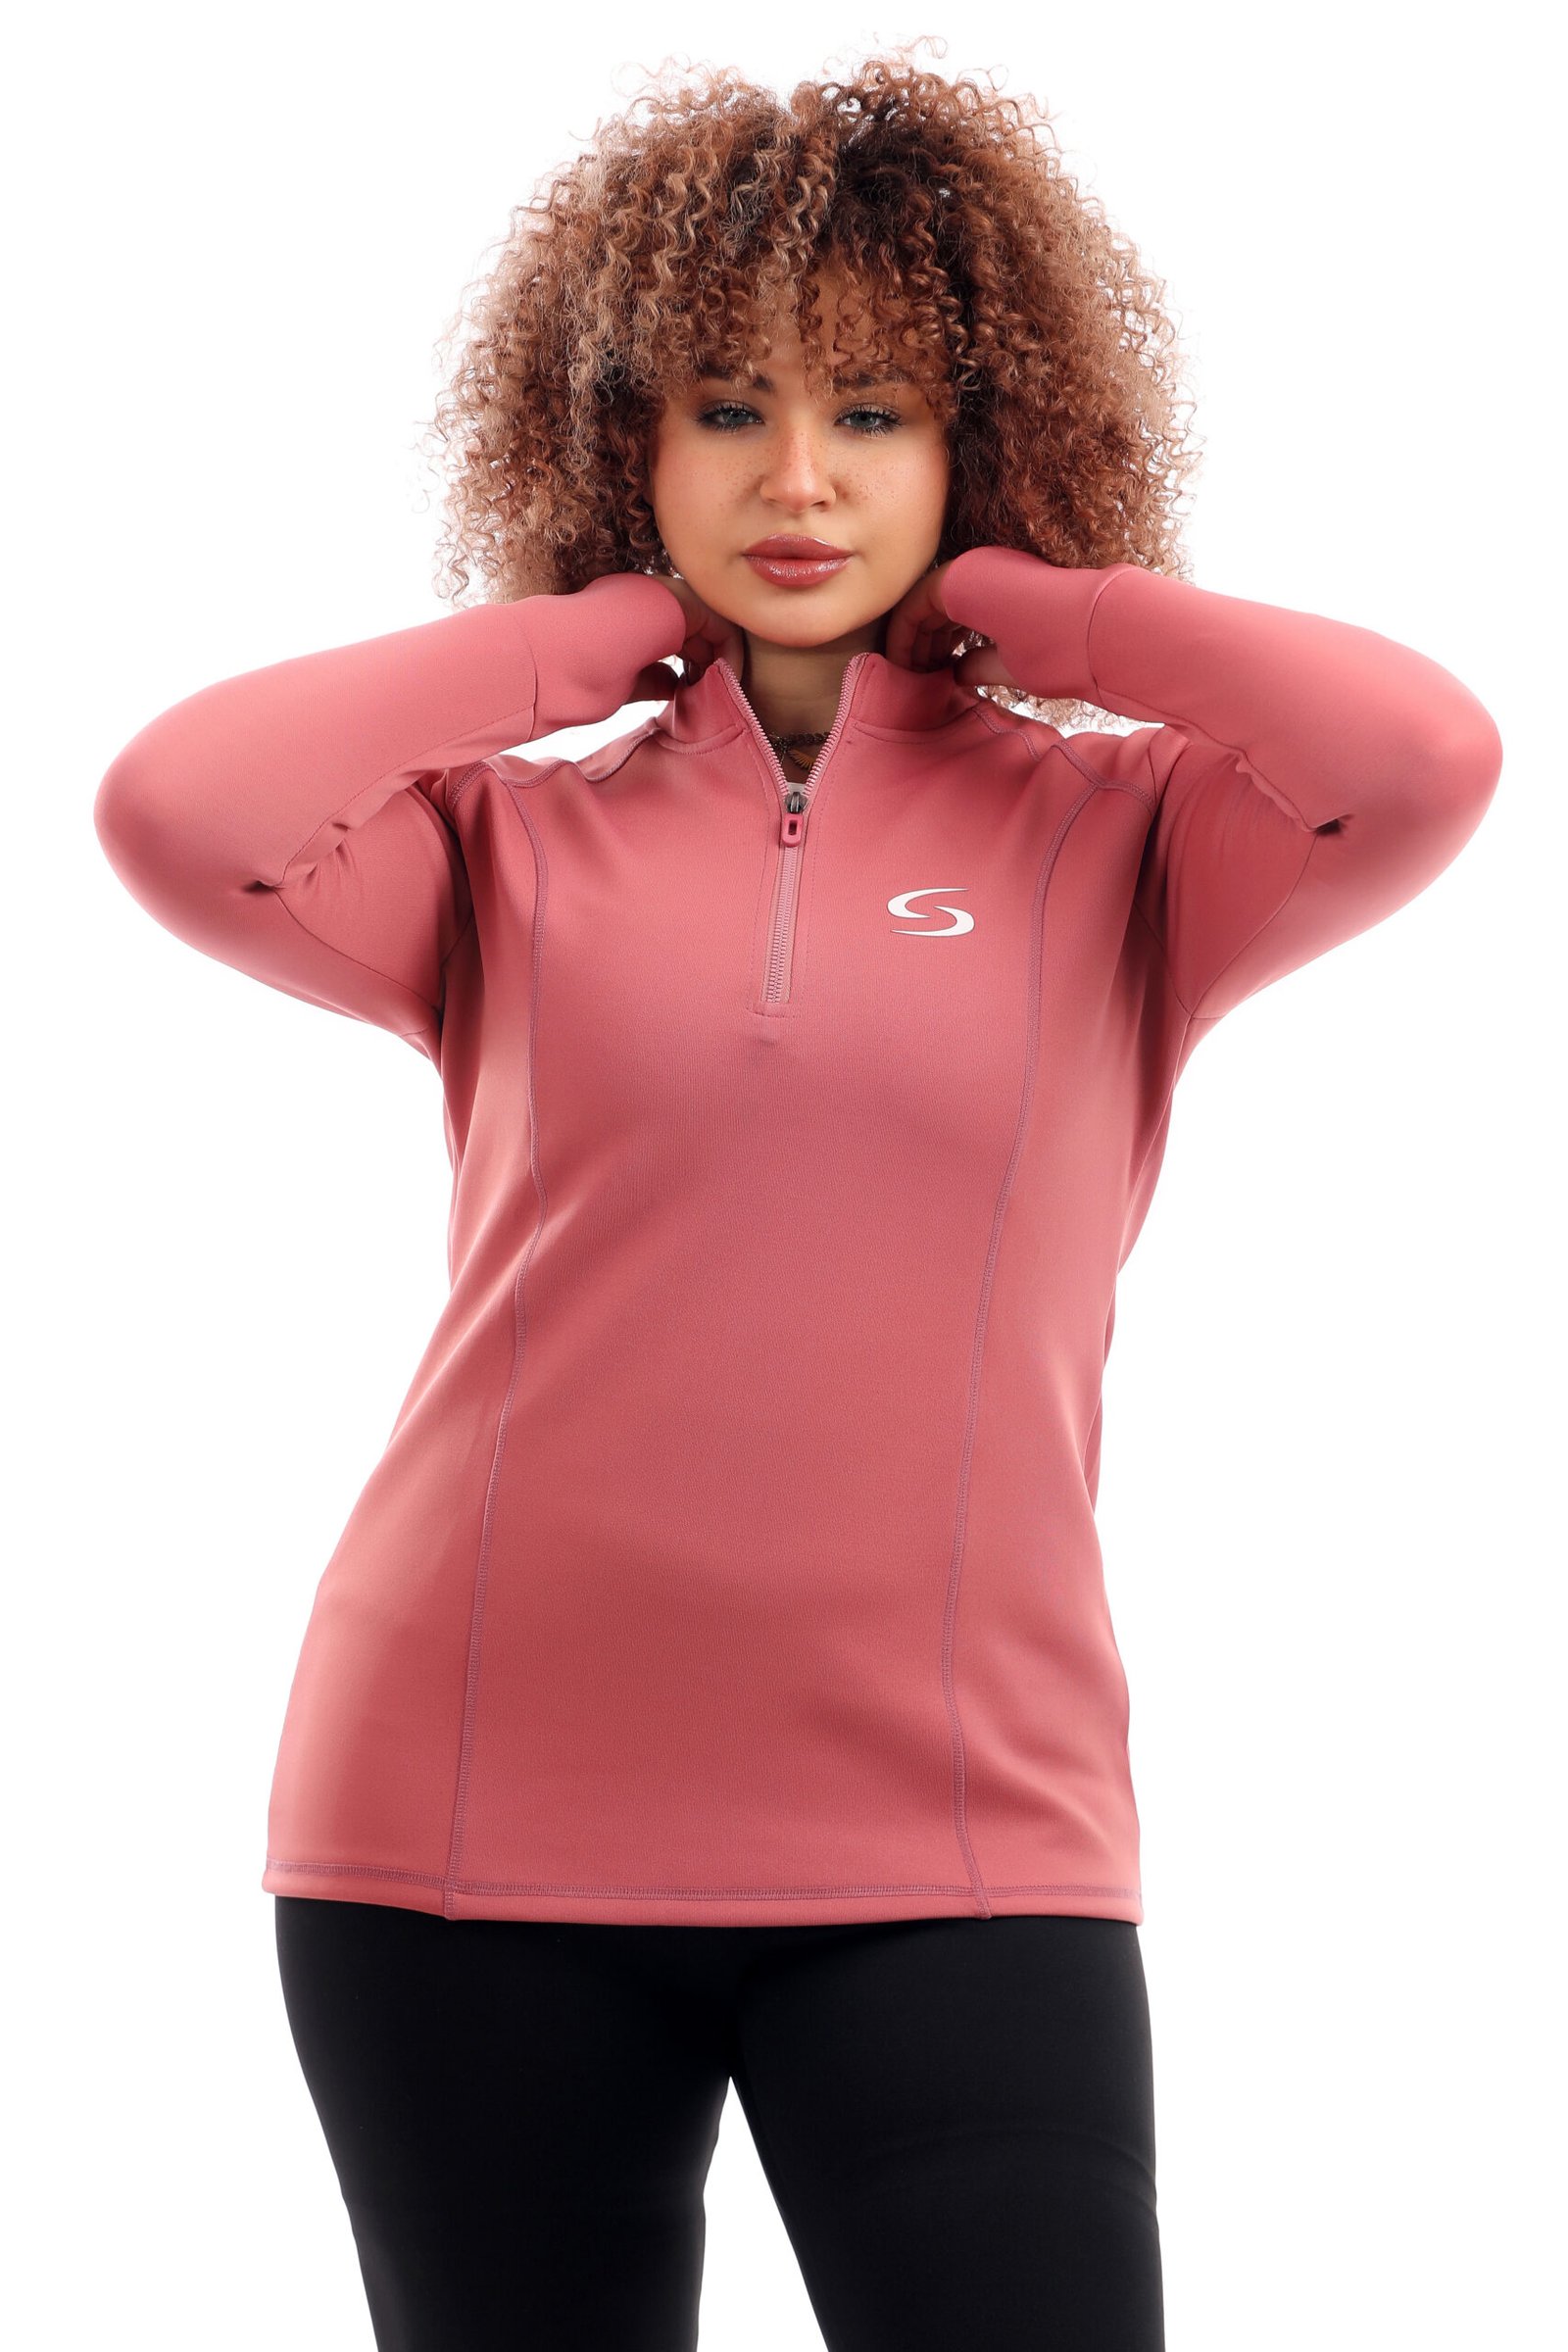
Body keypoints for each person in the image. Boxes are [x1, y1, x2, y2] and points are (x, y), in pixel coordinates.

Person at [91, 45, 1502, 2352]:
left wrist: (1036, 614)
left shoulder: (1130, 837)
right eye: (726, 409)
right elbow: (181, 810)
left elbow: (1415, 758)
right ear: (626, 445)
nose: (796, 478)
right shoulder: (502, 846)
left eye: (871, 410)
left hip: (962, 1838)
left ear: (972, 443)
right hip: (465, 1821)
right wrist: (581, 643)